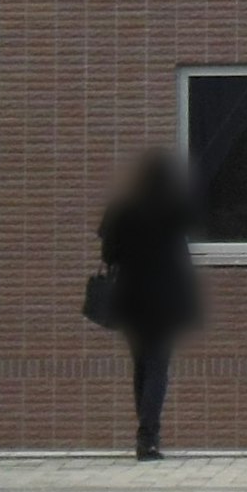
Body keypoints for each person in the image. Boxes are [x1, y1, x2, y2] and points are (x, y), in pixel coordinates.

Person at [96, 150, 203, 460]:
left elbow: (108, 254)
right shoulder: (174, 209)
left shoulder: (123, 210)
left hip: (131, 297)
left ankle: (146, 433)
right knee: (157, 366)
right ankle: (148, 437)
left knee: (141, 365)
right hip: (165, 300)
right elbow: (197, 218)